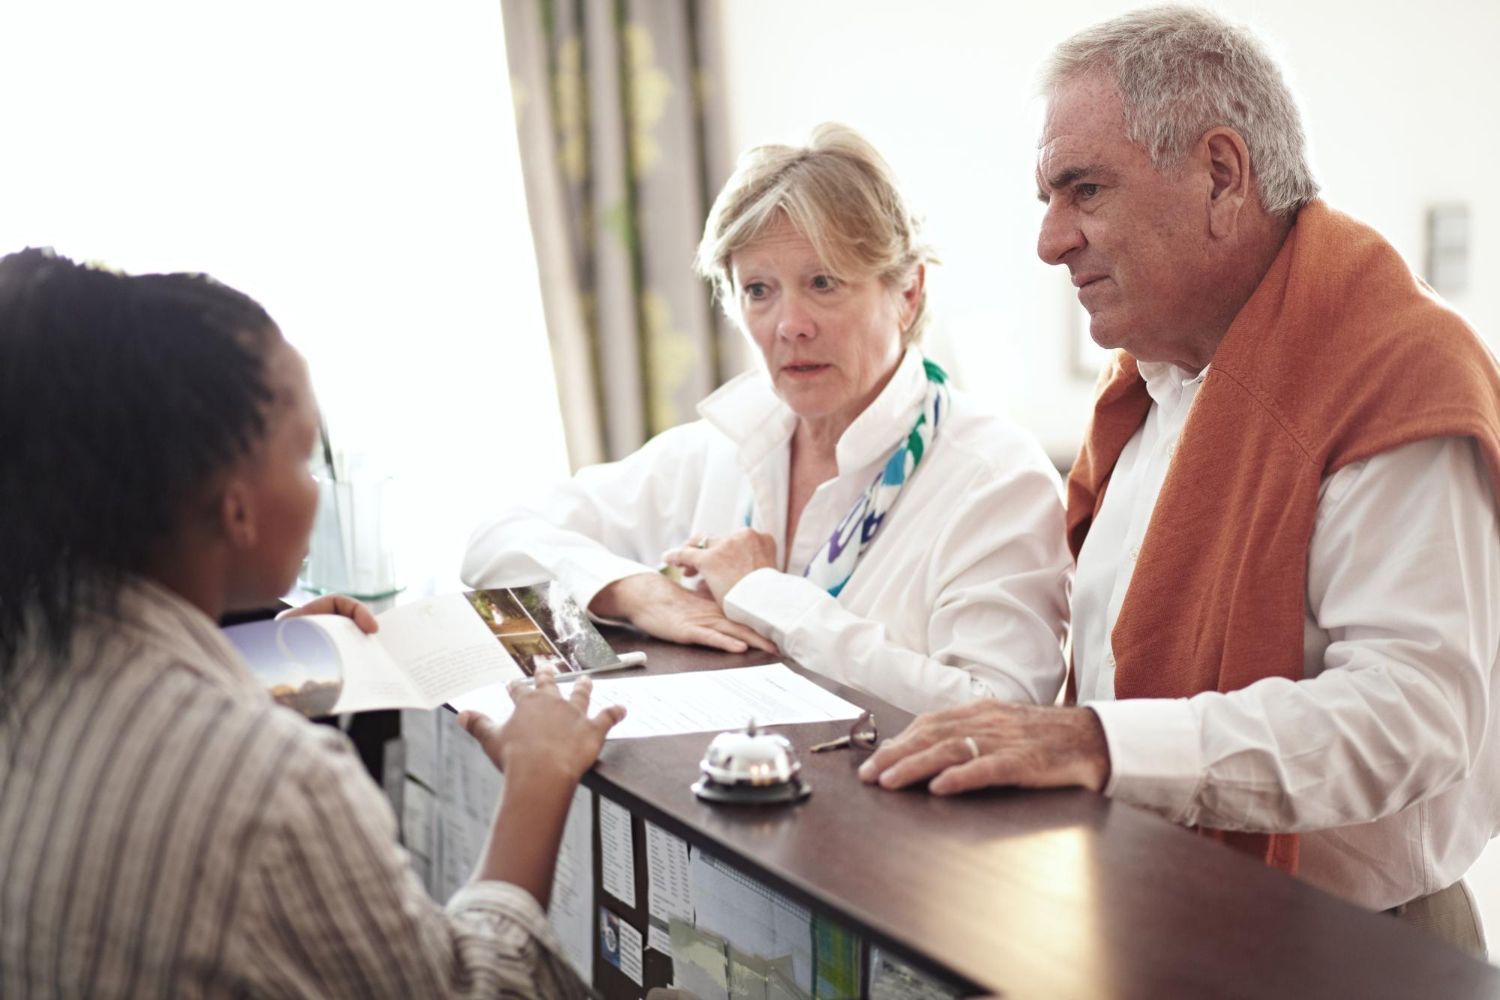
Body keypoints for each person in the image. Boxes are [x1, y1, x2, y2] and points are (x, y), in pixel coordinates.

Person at [860, 6, 1500, 955]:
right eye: (1048, 196)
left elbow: (1411, 716)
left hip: (1352, 946)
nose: (1049, 240)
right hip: (1163, 909)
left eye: (1083, 189)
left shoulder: (1390, 368)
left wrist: (1098, 745)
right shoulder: (1154, 388)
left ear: (1222, 175)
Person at [0, 248, 623, 996]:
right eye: (302, 460)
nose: (316, 489)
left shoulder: (29, 649)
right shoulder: (276, 786)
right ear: (236, 508)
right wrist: (537, 777)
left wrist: (249, 661)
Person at [463, 124, 1071, 714]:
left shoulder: (996, 478)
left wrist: (766, 598)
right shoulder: (719, 447)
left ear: (908, 291)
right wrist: (634, 591)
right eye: (759, 290)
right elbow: (494, 542)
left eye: (823, 282)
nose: (790, 324)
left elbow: (1003, 712)